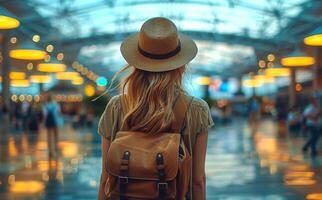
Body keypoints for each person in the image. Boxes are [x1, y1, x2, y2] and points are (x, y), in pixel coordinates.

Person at [98, 17, 214, 200]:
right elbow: (197, 180)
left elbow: (106, 176)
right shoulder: (196, 110)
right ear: (180, 66)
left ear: (136, 63)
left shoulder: (116, 107)